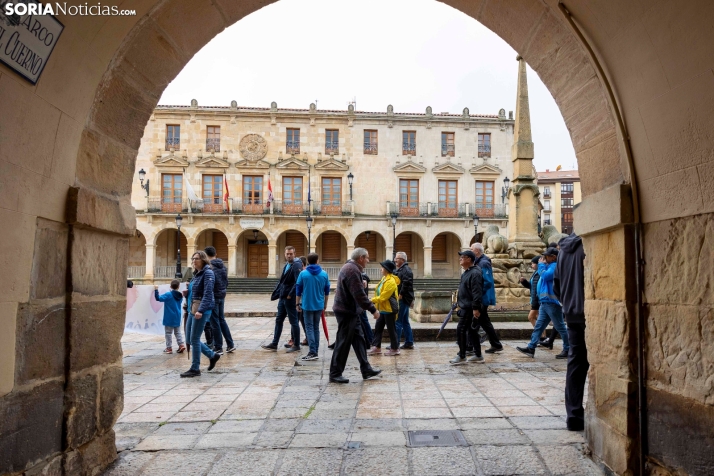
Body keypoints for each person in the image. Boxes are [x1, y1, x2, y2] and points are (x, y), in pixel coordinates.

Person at [329, 248, 382, 384]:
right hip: (346, 311)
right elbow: (359, 295)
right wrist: (373, 310)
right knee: (343, 342)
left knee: (359, 340)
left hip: (351, 311)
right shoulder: (352, 270)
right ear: (361, 258)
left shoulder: (350, 267)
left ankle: (366, 369)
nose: (368, 261)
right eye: (367, 258)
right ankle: (335, 373)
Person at [554, 233, 588, 431]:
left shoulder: (563, 252)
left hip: (572, 314)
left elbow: (556, 285)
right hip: (592, 312)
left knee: (575, 364)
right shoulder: (589, 245)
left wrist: (568, 303)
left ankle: (573, 415)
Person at [517, 248, 570, 359]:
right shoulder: (549, 266)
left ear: (554, 257)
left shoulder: (555, 266)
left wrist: (541, 265)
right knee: (539, 327)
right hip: (545, 302)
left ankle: (568, 348)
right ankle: (531, 347)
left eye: (547, 256)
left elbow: (546, 276)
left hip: (552, 302)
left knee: (560, 326)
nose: (544, 258)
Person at [181, 251, 221, 377]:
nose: (193, 261)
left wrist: (201, 310)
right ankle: (212, 355)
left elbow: (208, 294)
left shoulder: (208, 273)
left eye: (196, 259)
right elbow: (198, 290)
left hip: (200, 310)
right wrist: (188, 292)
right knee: (189, 339)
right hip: (192, 308)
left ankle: (195, 368)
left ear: (203, 259)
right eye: (192, 259)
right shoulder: (196, 274)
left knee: (194, 339)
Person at [262, 246, 303, 353]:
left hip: (290, 298)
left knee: (293, 321)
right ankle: (274, 343)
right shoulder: (287, 265)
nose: (289, 255)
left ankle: (297, 344)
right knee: (279, 320)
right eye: (287, 254)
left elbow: (297, 282)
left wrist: (290, 295)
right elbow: (282, 281)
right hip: (282, 297)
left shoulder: (296, 265)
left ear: (294, 254)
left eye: (291, 254)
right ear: (285, 254)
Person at [450, 250, 484, 364]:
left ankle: (462, 355)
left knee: (461, 330)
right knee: (472, 331)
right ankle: (478, 355)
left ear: (469, 259)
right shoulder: (467, 272)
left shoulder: (475, 273)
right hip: (465, 306)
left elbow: (477, 292)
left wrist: (476, 308)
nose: (460, 259)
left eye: (462, 257)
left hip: (469, 307)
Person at [296, 252, 330, 361]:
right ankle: (316, 349)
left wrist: (297, 303)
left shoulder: (303, 274)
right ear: (317, 260)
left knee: (309, 327)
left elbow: (298, 290)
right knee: (316, 327)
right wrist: (325, 304)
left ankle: (312, 351)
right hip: (319, 305)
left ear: (307, 261)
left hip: (307, 304)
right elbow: (327, 291)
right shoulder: (324, 274)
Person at [471, 243, 503, 353]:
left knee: (478, 320)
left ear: (476, 251)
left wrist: (477, 295)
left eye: (471, 249)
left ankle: (470, 345)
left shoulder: (483, 263)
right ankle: (495, 344)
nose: (470, 251)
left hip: (483, 297)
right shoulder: (479, 262)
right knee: (483, 321)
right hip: (481, 297)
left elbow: (487, 282)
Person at [519, 255, 557, 346]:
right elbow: (532, 287)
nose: (531, 265)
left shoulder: (540, 273)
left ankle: (541, 338)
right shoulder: (536, 273)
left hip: (538, 300)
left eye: (533, 263)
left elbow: (537, 289)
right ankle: (541, 339)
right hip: (537, 300)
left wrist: (535, 302)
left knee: (531, 317)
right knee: (541, 321)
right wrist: (524, 282)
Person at [204, 246, 235, 355]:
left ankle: (218, 347)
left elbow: (209, 284)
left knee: (214, 322)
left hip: (213, 296)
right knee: (221, 320)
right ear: (215, 253)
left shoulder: (209, 268)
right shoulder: (222, 266)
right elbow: (226, 281)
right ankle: (230, 344)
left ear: (205, 255)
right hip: (222, 295)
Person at [367, 260, 401, 356]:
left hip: (389, 310)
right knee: (378, 328)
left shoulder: (391, 281)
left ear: (386, 269)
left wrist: (371, 300)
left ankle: (395, 348)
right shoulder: (384, 278)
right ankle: (376, 347)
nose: (380, 269)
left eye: (382, 267)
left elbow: (383, 297)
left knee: (391, 329)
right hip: (383, 309)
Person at [155, 279, 185, 354]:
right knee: (177, 332)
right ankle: (181, 345)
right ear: (178, 286)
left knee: (168, 333)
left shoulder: (168, 294)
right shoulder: (180, 295)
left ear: (170, 286)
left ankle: (169, 348)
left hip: (169, 316)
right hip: (177, 316)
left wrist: (156, 290)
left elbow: (158, 298)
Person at [394, 252, 415, 350]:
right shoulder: (402, 269)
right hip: (405, 298)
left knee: (398, 322)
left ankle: (395, 344)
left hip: (403, 298)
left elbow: (406, 283)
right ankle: (409, 342)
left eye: (397, 258)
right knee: (405, 321)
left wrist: (401, 294)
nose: (395, 260)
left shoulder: (406, 270)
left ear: (402, 259)